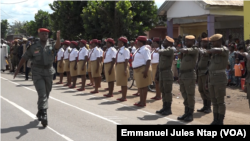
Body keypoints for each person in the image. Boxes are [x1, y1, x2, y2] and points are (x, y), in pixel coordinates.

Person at [14, 28, 61, 128]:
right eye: (43, 34)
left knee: (47, 93)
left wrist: (58, 38)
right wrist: (18, 69)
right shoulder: (33, 46)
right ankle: (44, 114)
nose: (45, 35)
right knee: (42, 93)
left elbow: (57, 46)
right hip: (37, 72)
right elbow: (24, 57)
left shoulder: (51, 44)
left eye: (46, 34)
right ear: (39, 35)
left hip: (48, 71)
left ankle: (40, 111)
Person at [205, 34, 229, 125]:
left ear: (219, 41)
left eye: (213, 42)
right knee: (214, 101)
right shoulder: (214, 53)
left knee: (220, 101)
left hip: (220, 78)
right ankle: (215, 120)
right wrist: (207, 82)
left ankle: (220, 121)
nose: (212, 43)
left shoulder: (224, 50)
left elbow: (216, 50)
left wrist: (208, 51)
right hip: (211, 78)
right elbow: (210, 68)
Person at [177, 35, 198, 122]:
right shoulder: (185, 51)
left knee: (190, 95)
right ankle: (186, 112)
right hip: (183, 75)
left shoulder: (194, 49)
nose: (186, 42)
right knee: (184, 94)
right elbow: (181, 61)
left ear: (193, 42)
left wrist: (180, 50)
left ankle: (190, 113)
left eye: (188, 41)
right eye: (185, 41)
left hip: (189, 75)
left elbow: (186, 50)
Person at [155, 36, 175, 115]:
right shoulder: (163, 51)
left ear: (169, 43)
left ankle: (168, 108)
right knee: (163, 91)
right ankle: (164, 107)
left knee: (167, 92)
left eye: (165, 41)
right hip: (162, 73)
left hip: (167, 73)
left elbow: (162, 51)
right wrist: (157, 74)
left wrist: (158, 50)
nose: (163, 42)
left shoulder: (170, 50)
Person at [132, 36, 152, 107]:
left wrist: (146, 71)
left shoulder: (145, 50)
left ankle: (143, 102)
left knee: (144, 86)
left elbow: (148, 60)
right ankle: (141, 101)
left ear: (140, 42)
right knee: (140, 86)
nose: (136, 42)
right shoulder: (139, 49)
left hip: (142, 69)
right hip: (138, 69)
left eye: (137, 41)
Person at [197, 38, 211, 113]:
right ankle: (204, 106)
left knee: (206, 90)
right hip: (199, 72)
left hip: (206, 73)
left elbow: (210, 63)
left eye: (204, 42)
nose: (202, 44)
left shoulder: (209, 51)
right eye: (202, 42)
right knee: (201, 90)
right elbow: (199, 60)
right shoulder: (200, 51)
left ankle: (208, 107)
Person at [115, 37, 130, 101]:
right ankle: (122, 96)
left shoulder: (125, 50)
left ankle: (124, 97)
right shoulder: (120, 49)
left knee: (124, 82)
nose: (118, 43)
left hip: (123, 65)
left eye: (119, 42)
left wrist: (125, 69)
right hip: (119, 65)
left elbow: (126, 60)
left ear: (122, 43)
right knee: (121, 81)